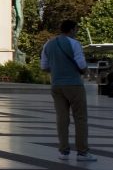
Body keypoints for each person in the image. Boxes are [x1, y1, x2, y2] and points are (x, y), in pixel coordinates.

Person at [40, 20, 95, 162]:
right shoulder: (74, 43)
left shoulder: (48, 44)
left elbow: (44, 66)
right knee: (80, 118)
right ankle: (82, 152)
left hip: (56, 85)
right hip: (74, 85)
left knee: (62, 119)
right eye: (76, 29)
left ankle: (63, 151)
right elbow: (81, 63)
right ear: (71, 30)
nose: (76, 32)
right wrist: (85, 71)